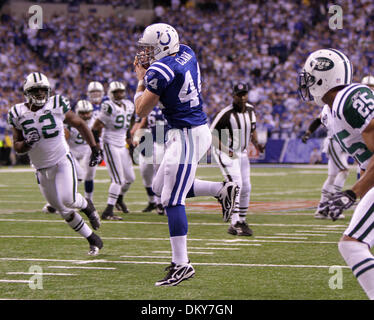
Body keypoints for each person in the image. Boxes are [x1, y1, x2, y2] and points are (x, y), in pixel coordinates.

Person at [134, 23, 239, 287]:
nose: (145, 54)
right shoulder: (187, 51)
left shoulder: (159, 70)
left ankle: (182, 264)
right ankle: (220, 189)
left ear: (162, 46)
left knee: (171, 198)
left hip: (186, 135)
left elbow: (141, 111)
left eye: (149, 48)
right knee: (160, 187)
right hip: (188, 131)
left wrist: (139, 79)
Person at [298, 48, 374, 299]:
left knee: (352, 246)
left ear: (323, 78)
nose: (306, 84)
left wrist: (353, 193)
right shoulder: (331, 110)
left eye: (309, 78)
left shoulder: (351, 98)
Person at [7, 72, 103, 255]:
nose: (40, 94)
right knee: (61, 209)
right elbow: (17, 146)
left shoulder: (57, 104)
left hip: (61, 161)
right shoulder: (17, 112)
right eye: (36, 91)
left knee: (69, 199)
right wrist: (27, 143)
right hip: (40, 169)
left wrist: (94, 147)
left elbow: (80, 124)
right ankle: (93, 239)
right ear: (27, 92)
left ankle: (87, 205)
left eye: (43, 90)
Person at [210, 83, 265, 236]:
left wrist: (257, 144)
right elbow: (211, 135)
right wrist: (226, 150)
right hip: (226, 152)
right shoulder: (225, 113)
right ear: (233, 96)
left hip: (241, 152)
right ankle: (234, 223)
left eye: (244, 94)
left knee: (246, 187)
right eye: (239, 95)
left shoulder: (251, 110)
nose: (242, 97)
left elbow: (252, 129)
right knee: (237, 184)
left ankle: (241, 219)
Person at [91, 81, 135, 221]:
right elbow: (95, 127)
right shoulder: (108, 106)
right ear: (111, 93)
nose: (119, 94)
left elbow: (126, 126)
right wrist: (96, 146)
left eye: (121, 91)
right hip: (110, 143)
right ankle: (108, 211)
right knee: (117, 179)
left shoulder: (128, 105)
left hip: (122, 144)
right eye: (116, 92)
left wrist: (130, 143)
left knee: (130, 178)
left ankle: (118, 198)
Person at [301, 105, 350, 219]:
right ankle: (334, 206)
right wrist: (308, 133)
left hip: (340, 141)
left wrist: (308, 132)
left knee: (332, 176)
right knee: (344, 171)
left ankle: (322, 209)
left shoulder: (331, 103)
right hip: (335, 140)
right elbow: (319, 120)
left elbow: (318, 120)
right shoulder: (335, 103)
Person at [131, 105, 169, 215]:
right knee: (154, 175)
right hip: (155, 144)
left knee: (166, 174)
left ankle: (164, 202)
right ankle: (158, 202)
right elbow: (142, 124)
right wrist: (137, 137)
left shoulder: (170, 104)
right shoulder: (148, 108)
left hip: (169, 142)